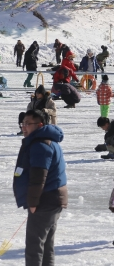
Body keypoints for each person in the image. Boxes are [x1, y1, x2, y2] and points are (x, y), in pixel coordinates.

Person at [13, 109, 68, 265]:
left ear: (40, 125)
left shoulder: (41, 145)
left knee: (34, 246)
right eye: (22, 123)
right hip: (52, 198)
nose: (24, 127)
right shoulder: (45, 141)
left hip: (45, 200)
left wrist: (33, 202)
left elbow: (38, 177)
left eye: (28, 124)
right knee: (46, 245)